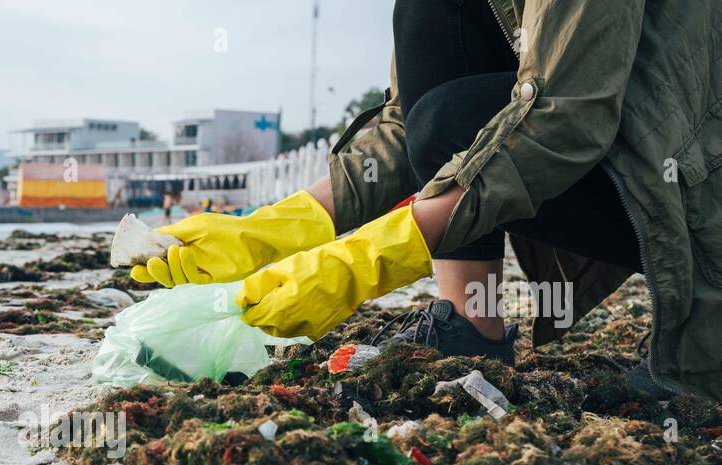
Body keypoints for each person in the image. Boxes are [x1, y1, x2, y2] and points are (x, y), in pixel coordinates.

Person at [131, 0, 722, 401]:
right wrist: (278, 228)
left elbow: (566, 119)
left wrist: (367, 260)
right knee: (432, 24)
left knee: (459, 118)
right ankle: (470, 324)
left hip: (695, 189)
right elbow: (406, 123)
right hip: (640, 155)